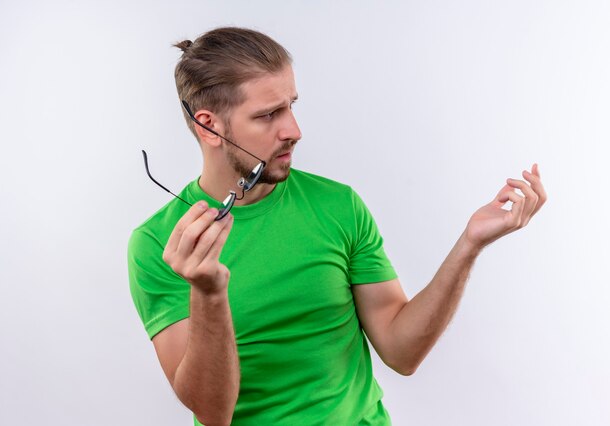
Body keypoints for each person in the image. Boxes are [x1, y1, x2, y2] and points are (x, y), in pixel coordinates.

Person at [128, 27, 547, 426]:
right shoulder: (156, 245)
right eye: (269, 114)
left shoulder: (338, 205)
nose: (293, 131)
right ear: (209, 126)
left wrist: (469, 245)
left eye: (291, 105)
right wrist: (208, 292)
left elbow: (403, 353)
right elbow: (214, 412)